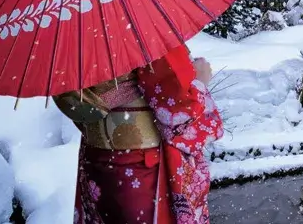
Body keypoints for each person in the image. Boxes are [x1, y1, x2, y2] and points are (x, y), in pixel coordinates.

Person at [54, 44, 223, 224]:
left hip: (96, 162)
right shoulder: (142, 32)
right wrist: (198, 81)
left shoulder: (72, 38)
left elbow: (77, 105)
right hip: (142, 167)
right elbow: (178, 111)